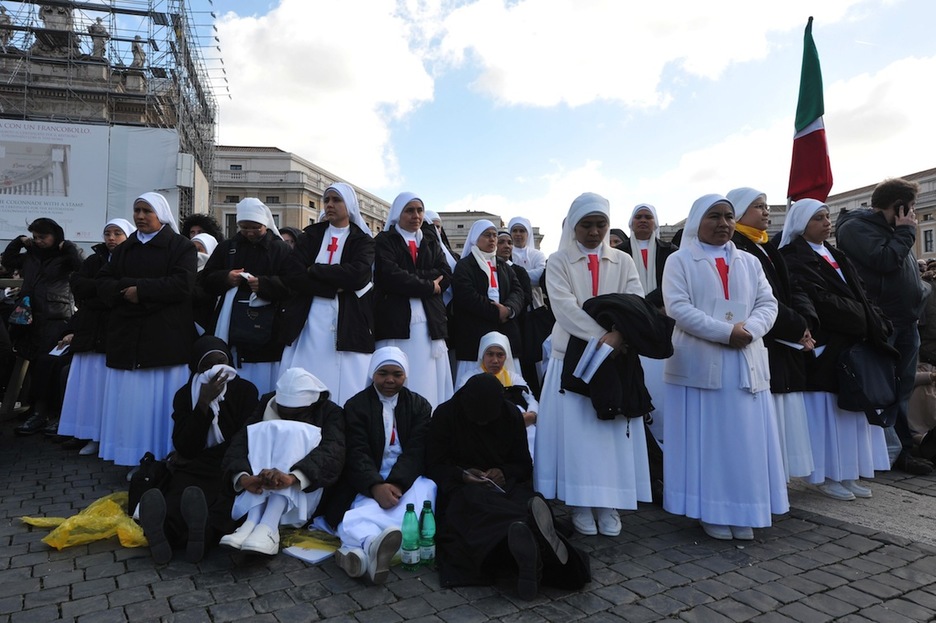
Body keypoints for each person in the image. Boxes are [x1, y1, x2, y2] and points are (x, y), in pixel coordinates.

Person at [662, 194, 787, 540]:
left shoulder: (749, 262)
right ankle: (711, 509)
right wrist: (724, 332)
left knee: (745, 441)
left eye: (728, 217)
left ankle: (746, 508)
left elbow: (768, 303)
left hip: (745, 360)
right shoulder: (680, 260)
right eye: (714, 216)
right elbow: (678, 307)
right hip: (701, 363)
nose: (723, 223)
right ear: (696, 221)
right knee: (709, 442)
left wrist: (750, 330)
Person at [534, 192, 651, 537]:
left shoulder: (622, 261)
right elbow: (563, 307)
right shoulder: (559, 261)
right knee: (578, 435)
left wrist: (619, 335)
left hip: (614, 356)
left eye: (601, 224)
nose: (594, 231)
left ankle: (610, 500)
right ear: (573, 225)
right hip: (571, 355)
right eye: (587, 224)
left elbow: (636, 301)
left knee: (610, 433)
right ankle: (581, 501)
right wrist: (604, 336)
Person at [426, 373, 590, 599]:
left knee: (529, 500)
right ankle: (531, 537)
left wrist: (504, 472)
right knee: (476, 504)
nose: (482, 424)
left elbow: (523, 464)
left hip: (505, 487)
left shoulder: (510, 414)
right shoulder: (446, 415)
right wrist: (462, 474)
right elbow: (433, 464)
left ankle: (527, 542)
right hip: (463, 488)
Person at [779, 199, 892, 500]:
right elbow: (818, 299)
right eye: (818, 218)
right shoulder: (792, 257)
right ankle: (828, 475)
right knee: (827, 414)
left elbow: (861, 294)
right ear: (802, 223)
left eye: (827, 216)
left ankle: (848, 472)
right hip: (826, 345)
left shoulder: (835, 254)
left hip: (852, 342)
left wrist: (876, 320)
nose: (827, 222)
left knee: (852, 413)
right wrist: (864, 319)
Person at [835, 178, 932, 475]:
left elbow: (903, 273)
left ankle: (900, 447)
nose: (913, 214)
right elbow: (885, 260)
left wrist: (920, 292)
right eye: (910, 208)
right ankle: (887, 451)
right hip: (883, 322)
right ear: (898, 206)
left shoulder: (895, 230)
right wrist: (904, 232)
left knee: (901, 389)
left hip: (906, 321)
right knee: (884, 390)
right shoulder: (855, 228)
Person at [97, 193, 197, 468]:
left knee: (160, 406)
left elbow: (182, 285)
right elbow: (104, 283)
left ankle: (161, 457)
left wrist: (141, 291)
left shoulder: (181, 247)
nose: (140, 216)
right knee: (132, 407)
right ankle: (130, 455)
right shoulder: (126, 248)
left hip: (164, 338)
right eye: (136, 210)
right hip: (128, 337)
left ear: (160, 214)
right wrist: (129, 291)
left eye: (146, 211)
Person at [138, 336, 259, 564]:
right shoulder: (185, 395)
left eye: (220, 364)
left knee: (221, 503)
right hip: (193, 466)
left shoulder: (245, 391)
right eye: (207, 366)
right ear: (196, 369)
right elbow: (185, 445)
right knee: (177, 499)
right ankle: (163, 535)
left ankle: (201, 536)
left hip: (226, 466)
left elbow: (245, 439)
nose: (215, 372)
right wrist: (203, 404)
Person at [726, 187, 816, 481]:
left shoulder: (766, 245)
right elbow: (760, 299)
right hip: (765, 336)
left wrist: (805, 322)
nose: (766, 212)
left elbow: (792, 288)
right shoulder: (737, 246)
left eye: (766, 206)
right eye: (758, 206)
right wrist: (795, 326)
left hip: (787, 334)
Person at [326, 347, 436, 584]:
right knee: (354, 513)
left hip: (406, 478)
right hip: (367, 478)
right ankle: (372, 546)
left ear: (405, 375)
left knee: (421, 500)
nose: (389, 380)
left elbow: (417, 451)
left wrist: (396, 482)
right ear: (372, 374)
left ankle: (356, 553)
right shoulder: (356, 405)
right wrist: (375, 486)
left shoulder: (419, 405)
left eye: (397, 374)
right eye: (382, 373)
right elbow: (357, 452)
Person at [218, 367, 345, 556]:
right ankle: (252, 522)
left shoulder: (331, 412)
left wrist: (292, 477)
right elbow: (241, 442)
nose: (287, 416)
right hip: (257, 489)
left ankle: (269, 526)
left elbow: (332, 453)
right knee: (263, 431)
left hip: (303, 493)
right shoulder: (266, 404)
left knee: (293, 433)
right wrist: (243, 478)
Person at [280, 183, 376, 406]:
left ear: (349, 205)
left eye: (336, 200)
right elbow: (293, 276)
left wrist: (315, 269)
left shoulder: (362, 240)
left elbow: (359, 275)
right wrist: (333, 287)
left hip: (349, 320)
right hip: (309, 317)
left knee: (346, 380)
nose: (330, 205)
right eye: (327, 200)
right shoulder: (310, 236)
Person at [56, 219, 134, 454]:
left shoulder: (131, 260)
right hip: (90, 329)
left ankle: (103, 437)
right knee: (85, 388)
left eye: (117, 233)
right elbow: (78, 285)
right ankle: (85, 433)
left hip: (112, 333)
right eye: (107, 233)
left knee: (105, 390)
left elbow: (119, 291)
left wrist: (100, 291)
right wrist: (103, 290)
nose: (111, 238)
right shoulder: (94, 260)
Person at [200, 198, 291, 395]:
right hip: (232, 323)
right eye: (244, 227)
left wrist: (264, 285)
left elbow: (293, 284)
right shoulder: (227, 247)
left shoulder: (280, 249)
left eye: (255, 228)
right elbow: (205, 279)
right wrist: (226, 278)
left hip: (270, 330)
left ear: (265, 224)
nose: (249, 233)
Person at [372, 192, 453, 409]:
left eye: (419, 210)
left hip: (429, 325)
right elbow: (390, 276)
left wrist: (411, 278)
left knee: (427, 382)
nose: (416, 215)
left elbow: (445, 274)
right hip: (396, 323)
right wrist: (429, 285)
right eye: (409, 210)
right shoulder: (384, 241)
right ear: (398, 214)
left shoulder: (430, 241)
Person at [2, 218, 83, 435]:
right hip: (30, 319)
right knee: (34, 364)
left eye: (43, 237)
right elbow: (8, 260)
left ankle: (47, 412)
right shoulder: (30, 257)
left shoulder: (64, 257)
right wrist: (18, 241)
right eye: (35, 237)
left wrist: (70, 247)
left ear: (55, 235)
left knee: (49, 366)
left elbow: (82, 268)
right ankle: (37, 411)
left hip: (56, 318)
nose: (38, 241)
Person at [450, 220, 524, 389]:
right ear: (476, 238)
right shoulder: (465, 265)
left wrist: (509, 309)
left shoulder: (504, 266)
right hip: (475, 334)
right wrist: (496, 312)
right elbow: (466, 296)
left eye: (494, 235)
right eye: (487, 235)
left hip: (504, 332)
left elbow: (518, 292)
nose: (492, 239)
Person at [458, 331, 538, 458]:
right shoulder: (469, 378)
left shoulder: (514, 378)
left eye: (500, 355)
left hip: (516, 423)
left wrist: (532, 415)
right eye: (490, 354)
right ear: (482, 355)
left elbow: (530, 399)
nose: (495, 360)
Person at [507, 217, 547, 307]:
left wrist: (512, 276)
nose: (518, 234)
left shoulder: (537, 254)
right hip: (511, 303)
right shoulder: (505, 253)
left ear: (527, 233)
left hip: (535, 305)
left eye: (522, 231)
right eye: (515, 231)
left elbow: (540, 277)